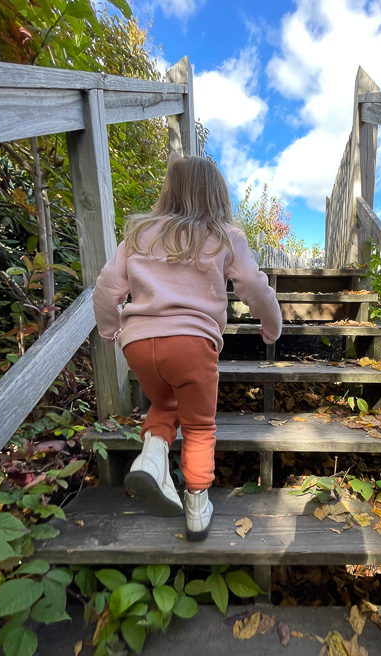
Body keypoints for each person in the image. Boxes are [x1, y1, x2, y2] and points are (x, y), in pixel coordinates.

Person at [93, 155, 282, 541]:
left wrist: (110, 328)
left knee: (164, 404)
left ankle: (152, 454)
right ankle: (196, 503)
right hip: (193, 344)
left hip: (139, 344)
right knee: (198, 426)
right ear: (217, 194)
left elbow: (106, 288)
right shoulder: (226, 235)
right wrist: (271, 322)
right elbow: (253, 285)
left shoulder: (138, 233)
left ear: (168, 189)